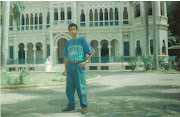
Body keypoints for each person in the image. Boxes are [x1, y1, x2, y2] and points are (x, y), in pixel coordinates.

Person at [62, 23, 95, 114]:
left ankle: (84, 106)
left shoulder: (82, 40)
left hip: (78, 66)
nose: (72, 31)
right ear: (68, 31)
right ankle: (71, 105)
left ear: (77, 30)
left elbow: (92, 51)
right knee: (69, 87)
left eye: (74, 29)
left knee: (81, 87)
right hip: (70, 65)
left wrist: (86, 61)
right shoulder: (68, 43)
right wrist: (65, 69)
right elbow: (65, 56)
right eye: (71, 29)